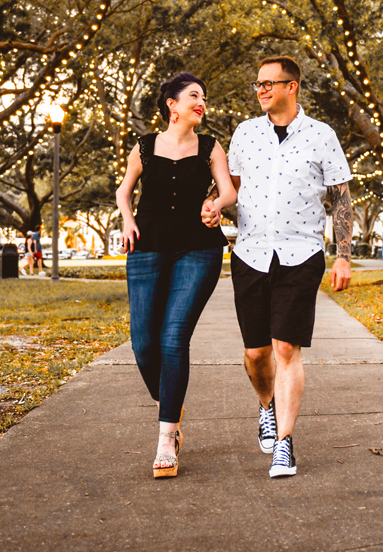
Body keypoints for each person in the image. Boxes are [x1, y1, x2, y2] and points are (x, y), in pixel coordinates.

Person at [204, 55, 353, 479]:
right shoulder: (245, 134)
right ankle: (266, 405)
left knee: (286, 348)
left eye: (271, 83)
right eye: (258, 84)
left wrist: (343, 255)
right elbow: (227, 189)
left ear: (293, 87)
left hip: (301, 254)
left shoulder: (321, 136)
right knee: (256, 354)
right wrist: (214, 206)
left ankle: (284, 444)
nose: (262, 90)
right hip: (250, 254)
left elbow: (341, 199)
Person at [116, 72, 236, 479]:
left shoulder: (210, 146)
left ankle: (167, 437)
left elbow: (229, 191)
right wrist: (127, 220)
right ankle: (170, 400)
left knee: (172, 338)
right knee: (143, 343)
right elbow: (124, 190)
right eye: (193, 96)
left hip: (197, 250)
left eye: (204, 97)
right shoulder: (145, 146)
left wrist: (215, 203)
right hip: (146, 248)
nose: (201, 103)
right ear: (171, 104)